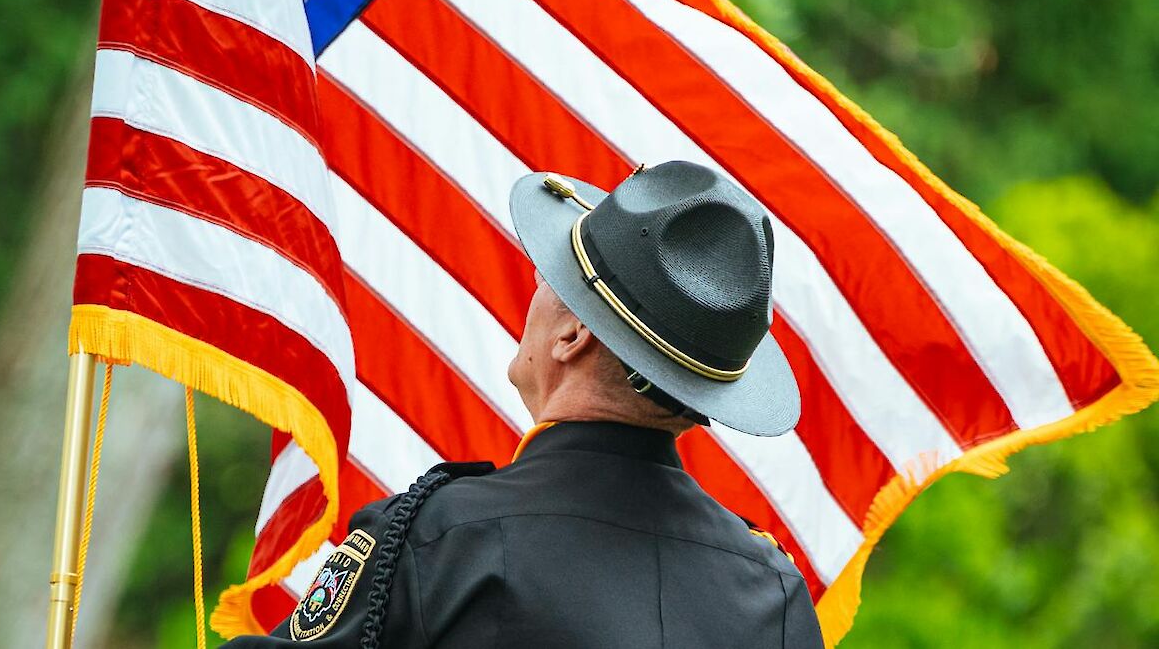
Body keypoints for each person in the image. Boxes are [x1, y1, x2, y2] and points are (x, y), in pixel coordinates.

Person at [225, 161, 825, 648]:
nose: (535, 291)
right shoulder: (773, 596)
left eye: (552, 276)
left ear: (572, 336)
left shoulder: (441, 539)